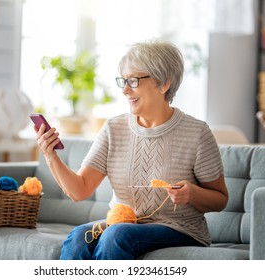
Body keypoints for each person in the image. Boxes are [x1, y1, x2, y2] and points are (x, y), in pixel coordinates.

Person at [34, 39, 228, 260]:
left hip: (180, 229)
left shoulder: (197, 132)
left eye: (133, 81)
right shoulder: (113, 128)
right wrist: (51, 156)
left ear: (164, 83)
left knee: (117, 235)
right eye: (123, 81)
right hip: (124, 222)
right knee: (79, 236)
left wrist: (192, 193)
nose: (125, 90)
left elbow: (220, 199)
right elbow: (79, 190)